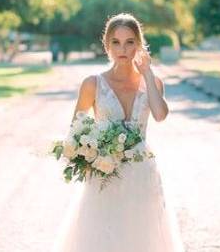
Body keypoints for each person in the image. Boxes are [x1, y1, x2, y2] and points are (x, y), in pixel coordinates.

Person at [51, 13, 185, 252]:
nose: (123, 49)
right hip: (104, 173)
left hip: (142, 171)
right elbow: (76, 132)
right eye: (116, 42)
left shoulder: (152, 82)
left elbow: (160, 115)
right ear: (107, 45)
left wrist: (148, 74)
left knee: (142, 237)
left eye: (130, 42)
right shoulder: (92, 84)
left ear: (139, 44)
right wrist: (93, 153)